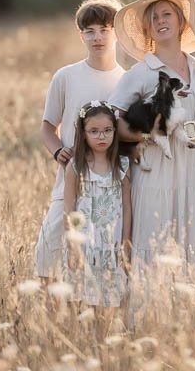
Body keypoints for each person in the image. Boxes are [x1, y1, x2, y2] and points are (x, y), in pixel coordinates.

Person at [108, 0, 195, 327]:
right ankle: (146, 328)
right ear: (147, 29)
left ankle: (192, 330)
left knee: (194, 244)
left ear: (182, 21)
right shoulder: (141, 72)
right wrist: (150, 133)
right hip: (154, 169)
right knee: (153, 244)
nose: (159, 21)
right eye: (153, 18)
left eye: (166, 14)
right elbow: (113, 124)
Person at [34, 0, 125, 280]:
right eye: (90, 31)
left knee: (97, 264)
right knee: (49, 254)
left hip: (109, 188)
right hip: (71, 182)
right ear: (81, 34)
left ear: (117, 32)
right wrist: (58, 151)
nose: (98, 37)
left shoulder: (128, 80)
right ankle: (51, 319)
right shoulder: (67, 76)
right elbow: (48, 127)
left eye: (105, 29)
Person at [62, 101, 132, 337]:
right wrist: (72, 244)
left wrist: (126, 243)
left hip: (110, 245)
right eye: (94, 131)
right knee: (84, 297)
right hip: (85, 243)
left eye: (107, 130)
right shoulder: (75, 166)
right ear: (83, 133)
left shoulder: (121, 165)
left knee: (110, 300)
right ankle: (85, 340)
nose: (101, 136)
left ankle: (105, 340)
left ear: (114, 131)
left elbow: (127, 206)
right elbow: (69, 207)